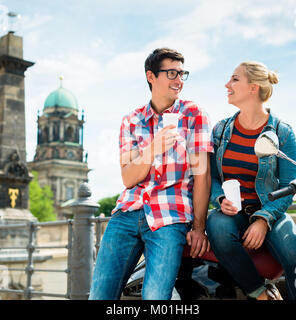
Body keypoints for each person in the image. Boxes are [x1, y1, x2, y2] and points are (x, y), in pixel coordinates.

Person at [89, 48, 213, 300]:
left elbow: (202, 175)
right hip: (127, 213)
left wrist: (199, 227)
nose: (179, 80)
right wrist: (153, 147)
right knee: (100, 295)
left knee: (155, 298)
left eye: (182, 73)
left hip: (170, 216)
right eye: (171, 73)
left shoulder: (194, 115)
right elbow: (128, 178)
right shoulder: (131, 120)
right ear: (151, 76)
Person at [206, 61, 296, 300]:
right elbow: (212, 177)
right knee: (216, 225)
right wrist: (220, 198)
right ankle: (260, 294)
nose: (227, 84)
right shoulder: (220, 130)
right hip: (232, 213)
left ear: (253, 88)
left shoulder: (283, 133)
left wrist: (263, 220)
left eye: (235, 79)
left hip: (271, 210)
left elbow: (290, 186)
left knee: (294, 252)